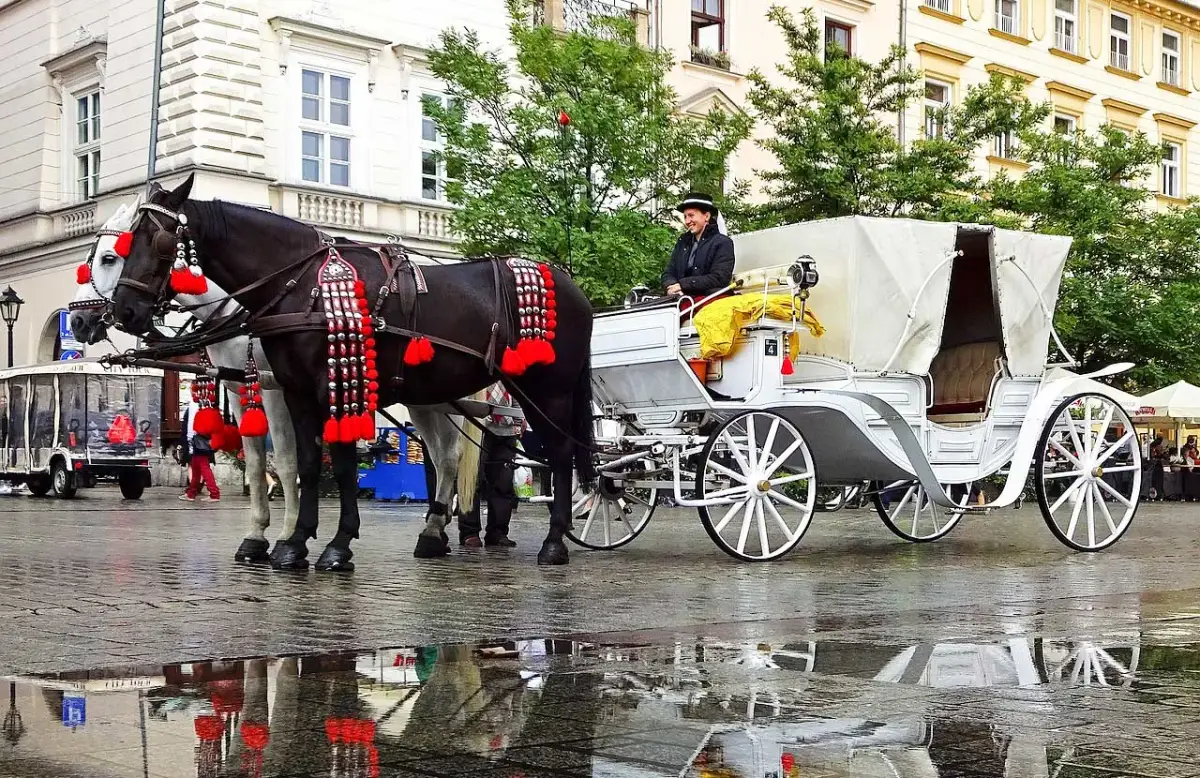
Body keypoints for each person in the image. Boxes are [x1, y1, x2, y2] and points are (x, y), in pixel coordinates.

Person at [459, 383, 522, 548]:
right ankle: (469, 532)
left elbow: (513, 391)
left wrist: (518, 418)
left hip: (506, 430)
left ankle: (498, 532)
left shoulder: (506, 365)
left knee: (503, 483)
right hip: (477, 428)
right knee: (472, 481)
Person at [661, 192, 735, 300]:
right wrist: (671, 286)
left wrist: (683, 285)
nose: (687, 221)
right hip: (680, 300)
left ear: (706, 216)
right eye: (685, 217)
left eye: (691, 216)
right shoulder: (682, 242)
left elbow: (719, 278)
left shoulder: (723, 243)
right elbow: (668, 272)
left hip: (708, 302)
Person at [180, 399, 220, 502]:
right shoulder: (211, 412)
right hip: (201, 443)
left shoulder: (198, 411)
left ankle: (214, 493)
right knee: (196, 469)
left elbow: (193, 428)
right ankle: (191, 493)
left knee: (204, 469)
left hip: (199, 443)